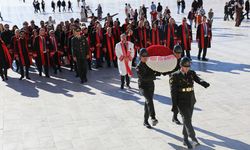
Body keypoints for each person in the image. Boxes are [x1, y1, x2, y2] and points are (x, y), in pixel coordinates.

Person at [170, 57, 210, 149]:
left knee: (187, 120)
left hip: (191, 99)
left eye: (188, 66)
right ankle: (193, 138)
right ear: (181, 66)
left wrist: (204, 83)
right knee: (187, 120)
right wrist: (174, 105)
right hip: (181, 101)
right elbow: (173, 92)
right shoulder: (175, 75)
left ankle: (185, 139)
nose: (187, 68)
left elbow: (198, 79)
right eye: (185, 66)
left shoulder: (191, 73)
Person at [136, 48, 159, 129]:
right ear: (140, 57)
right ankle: (153, 117)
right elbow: (144, 78)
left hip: (151, 86)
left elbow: (155, 72)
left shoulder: (150, 64)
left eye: (146, 56)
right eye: (143, 56)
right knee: (149, 100)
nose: (145, 58)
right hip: (143, 87)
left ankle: (145, 121)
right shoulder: (138, 67)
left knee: (147, 103)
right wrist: (153, 76)